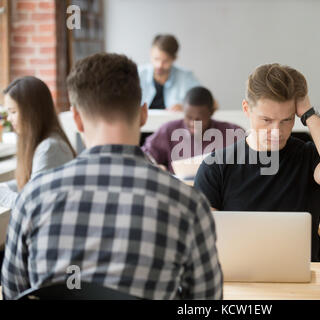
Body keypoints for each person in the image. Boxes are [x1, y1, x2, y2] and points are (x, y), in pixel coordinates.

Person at [1, 53, 223, 300]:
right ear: (143, 114)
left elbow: (13, 294)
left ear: (77, 119)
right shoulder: (189, 205)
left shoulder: (32, 198)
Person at [194, 63, 320, 262]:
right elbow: (203, 240)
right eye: (266, 120)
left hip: (303, 276)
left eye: (286, 120)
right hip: (240, 276)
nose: (277, 131)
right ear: (246, 109)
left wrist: (308, 113)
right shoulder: (216, 166)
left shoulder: (307, 157)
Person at [0, 76, 76, 208]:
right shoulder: (46, 143)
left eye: (13, 112)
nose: (10, 119)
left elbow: (32, 204)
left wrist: (2, 195)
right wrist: (5, 186)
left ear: (32, 112)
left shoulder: (50, 148)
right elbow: (32, 182)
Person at [142, 86, 244, 174]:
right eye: (189, 117)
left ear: (211, 112)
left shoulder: (232, 133)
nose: (193, 123)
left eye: (198, 119)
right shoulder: (168, 131)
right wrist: (156, 168)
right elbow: (145, 157)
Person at [139, 34, 200, 111]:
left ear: (174, 58)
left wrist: (185, 107)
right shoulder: (137, 74)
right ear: (150, 53)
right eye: (156, 59)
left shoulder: (186, 77)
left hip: (173, 121)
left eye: (165, 61)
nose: (159, 65)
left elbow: (211, 104)